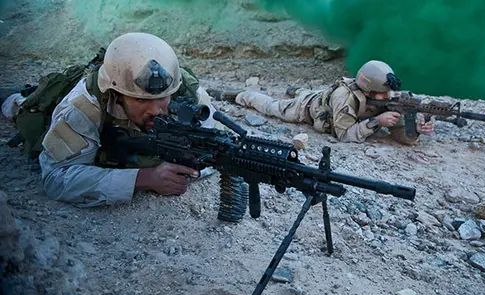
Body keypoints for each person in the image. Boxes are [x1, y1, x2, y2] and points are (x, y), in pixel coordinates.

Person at [36, 32, 219, 207]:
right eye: (141, 100)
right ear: (117, 95)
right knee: (25, 113)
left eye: (163, 98)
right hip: (48, 109)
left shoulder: (189, 93)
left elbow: (214, 149)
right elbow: (56, 178)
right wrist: (145, 178)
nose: (156, 111)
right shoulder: (83, 105)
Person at [209, 60, 434, 145]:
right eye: (382, 95)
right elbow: (343, 134)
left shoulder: (383, 95)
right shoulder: (345, 99)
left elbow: (400, 135)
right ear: (368, 90)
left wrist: (415, 129)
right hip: (306, 108)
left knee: (308, 92)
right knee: (271, 106)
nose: (388, 99)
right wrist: (376, 121)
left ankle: (297, 90)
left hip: (323, 96)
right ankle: (238, 95)